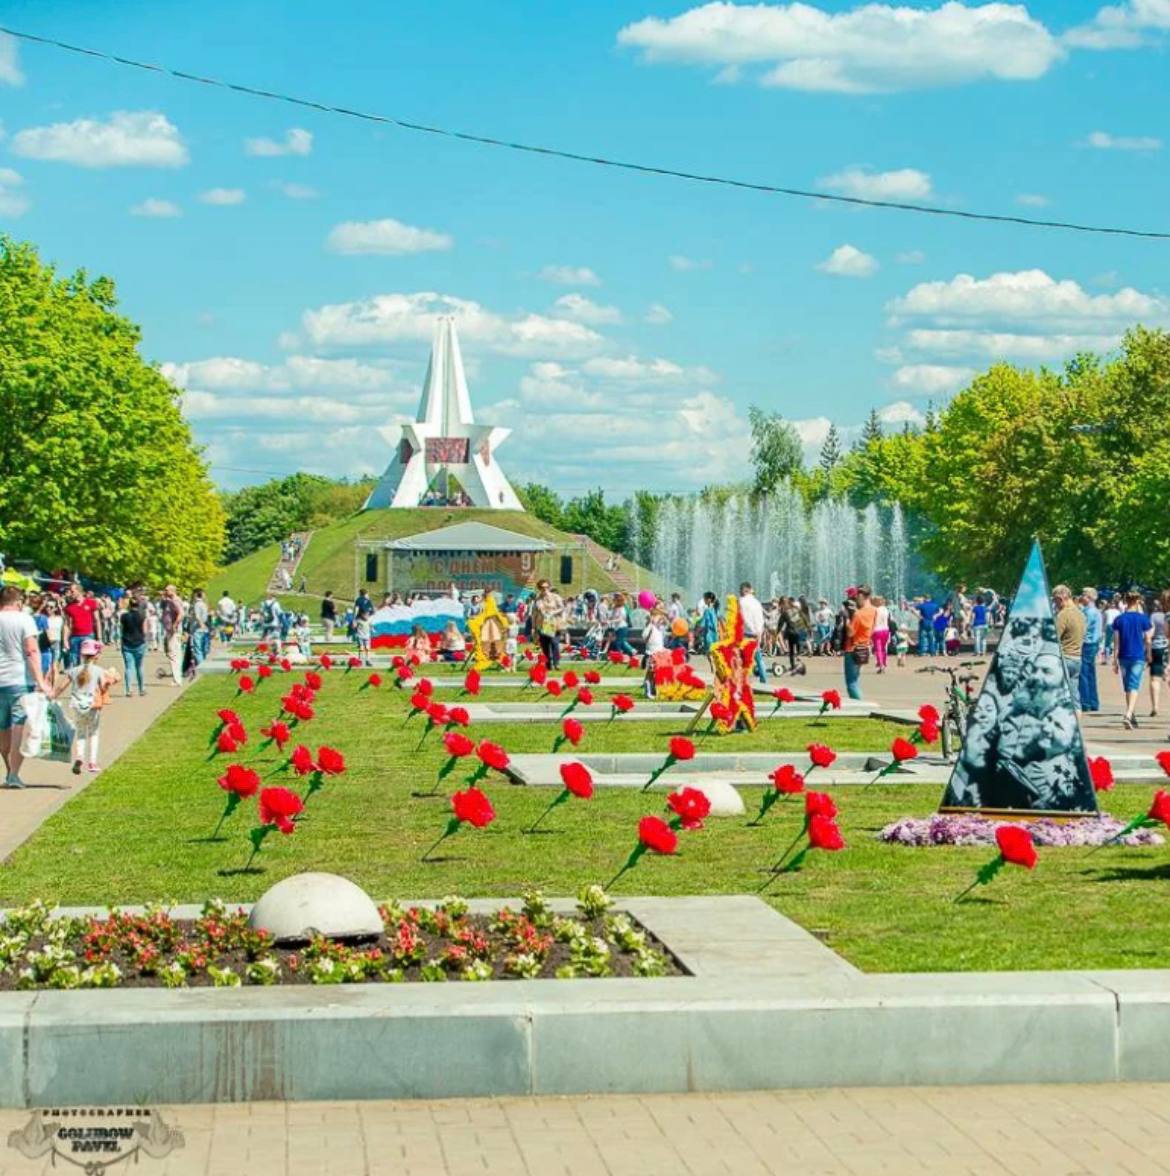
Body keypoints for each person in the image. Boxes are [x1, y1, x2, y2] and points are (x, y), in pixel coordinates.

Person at [0, 586, 52, 789]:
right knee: (19, 726)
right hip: (20, 680)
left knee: (3, 728)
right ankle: (13, 774)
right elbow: (32, 650)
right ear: (18, 601)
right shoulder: (24, 619)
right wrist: (41, 680)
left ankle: (9, 769)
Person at [54, 638, 120, 775]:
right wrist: (111, 680)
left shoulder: (74, 670)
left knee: (81, 733)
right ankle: (92, 762)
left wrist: (53, 695)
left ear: (82, 655)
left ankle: (79, 757)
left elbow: (61, 686)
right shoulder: (99, 670)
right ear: (96, 655)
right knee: (94, 733)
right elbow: (102, 687)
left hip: (77, 706)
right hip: (92, 705)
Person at [1113, 590, 1151, 729]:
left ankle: (1132, 714)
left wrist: (1114, 659)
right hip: (1137, 655)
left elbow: (1116, 642)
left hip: (1123, 656)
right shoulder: (1143, 619)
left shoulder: (1119, 619)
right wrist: (1149, 654)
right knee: (1134, 686)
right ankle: (1128, 714)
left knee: (1128, 686)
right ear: (1138, 601)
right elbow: (1147, 639)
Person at [1052, 585, 1085, 711]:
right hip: (1077, 657)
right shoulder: (1081, 614)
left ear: (1060, 598)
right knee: (1074, 696)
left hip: (1064, 657)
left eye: (1055, 601)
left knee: (1057, 697)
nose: (1055, 604)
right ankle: (1076, 725)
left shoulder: (1063, 615)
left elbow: (1054, 637)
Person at [844, 585, 876, 701]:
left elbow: (850, 633)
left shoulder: (858, 614)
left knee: (851, 682)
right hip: (865, 647)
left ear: (862, 595)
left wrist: (848, 618)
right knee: (856, 679)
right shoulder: (874, 610)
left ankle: (860, 705)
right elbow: (873, 627)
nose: (855, 598)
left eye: (857, 595)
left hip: (853, 648)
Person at [62, 583, 100, 668]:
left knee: (89, 662)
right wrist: (65, 640)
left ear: (79, 591)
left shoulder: (91, 603)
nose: (70, 593)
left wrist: (99, 638)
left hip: (88, 635)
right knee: (75, 662)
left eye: (72, 591)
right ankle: (77, 680)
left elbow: (97, 620)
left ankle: (88, 680)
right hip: (75, 637)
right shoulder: (69, 607)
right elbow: (66, 625)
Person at [531, 579, 566, 670]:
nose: (545, 589)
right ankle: (548, 665)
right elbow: (534, 614)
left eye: (547, 587)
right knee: (545, 645)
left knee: (554, 643)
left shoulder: (556, 597)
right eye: (542, 588)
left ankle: (556, 663)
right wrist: (533, 627)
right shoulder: (537, 600)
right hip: (542, 625)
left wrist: (553, 612)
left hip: (555, 624)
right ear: (539, 588)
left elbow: (562, 607)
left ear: (549, 587)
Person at [737, 582, 768, 685]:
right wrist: (759, 632)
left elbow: (744, 618)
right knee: (758, 657)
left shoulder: (741, 602)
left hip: (747, 633)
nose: (739, 592)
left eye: (740, 590)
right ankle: (764, 680)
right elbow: (761, 619)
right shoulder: (757, 602)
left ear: (745, 590)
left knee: (741, 658)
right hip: (757, 633)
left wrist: (752, 631)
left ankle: (742, 680)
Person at [119, 593, 148, 697]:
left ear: (129, 605)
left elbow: (122, 630)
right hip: (139, 643)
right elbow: (145, 631)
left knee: (128, 667)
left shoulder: (124, 616)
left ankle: (129, 690)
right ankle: (141, 689)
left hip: (127, 643)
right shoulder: (142, 616)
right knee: (139, 666)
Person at [1079, 587, 1101, 714]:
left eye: (1084, 595)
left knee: (1083, 673)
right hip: (1094, 643)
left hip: (1087, 644)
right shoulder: (1096, 612)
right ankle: (1093, 702)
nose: (1082, 597)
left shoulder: (1088, 612)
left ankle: (1085, 702)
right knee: (1090, 674)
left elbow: (1083, 629)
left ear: (1090, 597)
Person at [1149, 591, 1169, 718]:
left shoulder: (1156, 616)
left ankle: (1155, 706)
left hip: (1158, 646)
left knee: (1155, 678)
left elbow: (1150, 633)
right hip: (1166, 647)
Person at [159, 584, 185, 685]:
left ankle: (177, 679)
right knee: (172, 652)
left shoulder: (175, 601)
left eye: (166, 590)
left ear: (172, 591)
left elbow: (181, 613)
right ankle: (177, 677)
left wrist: (175, 625)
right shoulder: (169, 601)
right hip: (169, 630)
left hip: (173, 631)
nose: (165, 592)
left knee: (173, 653)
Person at [870, 595, 891, 673]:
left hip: (877, 630)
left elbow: (873, 622)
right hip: (885, 630)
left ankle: (880, 664)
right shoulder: (886, 609)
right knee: (883, 648)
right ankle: (884, 664)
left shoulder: (874, 610)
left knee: (878, 649)